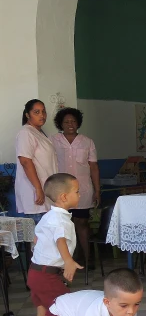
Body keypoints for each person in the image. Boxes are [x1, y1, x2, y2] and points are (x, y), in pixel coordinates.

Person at [29, 173, 84, 316]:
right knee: (63, 310)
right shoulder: (61, 221)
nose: (80, 194)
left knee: (43, 312)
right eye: (77, 191)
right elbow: (60, 240)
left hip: (36, 272)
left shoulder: (47, 216)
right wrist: (68, 261)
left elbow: (36, 240)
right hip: (47, 277)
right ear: (64, 197)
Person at [51, 107, 101, 269]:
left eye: (73, 121)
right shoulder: (52, 141)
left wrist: (97, 190)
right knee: (63, 226)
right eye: (66, 122)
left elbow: (93, 167)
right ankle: (65, 261)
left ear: (78, 122)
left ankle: (87, 259)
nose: (70, 124)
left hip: (82, 191)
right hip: (60, 192)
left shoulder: (87, 141)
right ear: (60, 124)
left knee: (82, 222)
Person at [15, 100, 58, 223]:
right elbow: (25, 161)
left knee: (47, 236)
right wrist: (38, 188)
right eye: (37, 112)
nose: (42, 115)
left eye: (43, 111)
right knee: (40, 238)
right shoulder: (26, 133)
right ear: (28, 115)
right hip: (35, 192)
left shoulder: (39, 133)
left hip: (45, 190)